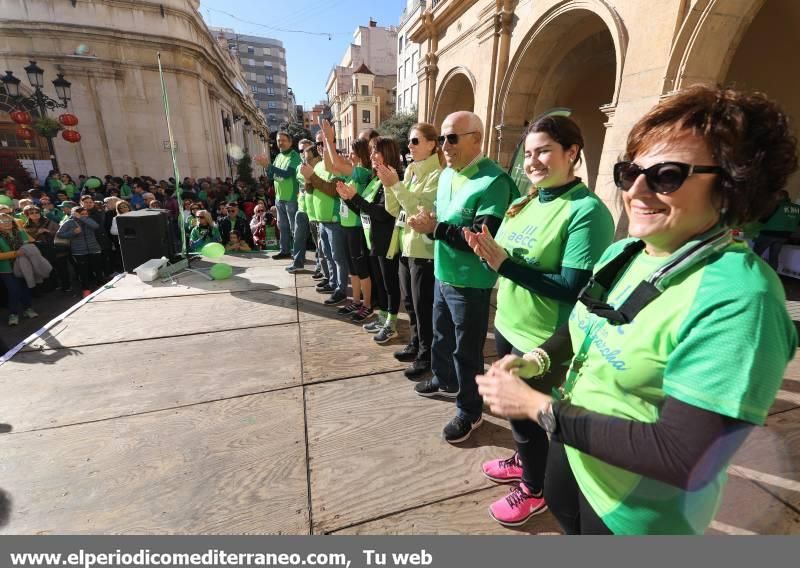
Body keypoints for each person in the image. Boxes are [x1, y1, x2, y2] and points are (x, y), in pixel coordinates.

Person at [476, 85, 798, 535]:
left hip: (637, 513)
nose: (638, 191)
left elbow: (683, 456)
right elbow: (584, 323)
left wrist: (538, 407)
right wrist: (536, 360)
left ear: (731, 183)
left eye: (667, 175)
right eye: (630, 172)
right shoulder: (627, 251)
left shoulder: (743, 299)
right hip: (574, 459)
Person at [461, 115, 615, 526]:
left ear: (572, 153)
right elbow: (509, 259)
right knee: (517, 416)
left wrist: (505, 265)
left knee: (525, 414)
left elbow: (572, 287)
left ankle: (534, 489)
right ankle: (527, 461)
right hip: (509, 323)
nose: (533, 161)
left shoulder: (586, 211)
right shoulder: (526, 201)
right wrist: (486, 249)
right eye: (528, 153)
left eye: (544, 150)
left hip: (546, 339)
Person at [407, 110, 518, 444]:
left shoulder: (494, 181)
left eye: (452, 138)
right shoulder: (446, 175)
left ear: (477, 138)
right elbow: (444, 219)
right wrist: (430, 221)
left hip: (471, 283)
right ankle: (445, 380)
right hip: (444, 271)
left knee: (467, 352)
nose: (445, 145)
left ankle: (470, 412)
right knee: (441, 335)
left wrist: (436, 228)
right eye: (442, 138)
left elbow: (482, 238)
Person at [378, 122, 444, 377]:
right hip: (407, 245)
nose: (410, 145)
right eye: (409, 141)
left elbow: (419, 209)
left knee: (423, 306)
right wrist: (389, 183)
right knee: (410, 303)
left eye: (415, 141)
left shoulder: (437, 174)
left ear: (431, 144)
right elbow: (395, 210)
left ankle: (427, 355)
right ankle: (416, 344)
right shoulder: (412, 171)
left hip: (424, 250)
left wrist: (395, 185)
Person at [336, 137, 403, 340]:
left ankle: (392, 323)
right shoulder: (376, 179)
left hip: (388, 241)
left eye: (376, 151)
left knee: (390, 284)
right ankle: (383, 317)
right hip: (372, 240)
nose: (372, 156)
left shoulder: (393, 177)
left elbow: (383, 213)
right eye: (372, 151)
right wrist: (348, 198)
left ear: (387, 154)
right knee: (381, 283)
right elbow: (365, 211)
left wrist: (355, 198)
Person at [320, 120, 375, 322]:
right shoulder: (353, 173)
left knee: (362, 269)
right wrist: (326, 142)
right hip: (347, 226)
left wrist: (329, 139)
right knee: (353, 268)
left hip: (357, 228)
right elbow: (329, 164)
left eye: (352, 152)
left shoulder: (362, 172)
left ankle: (368, 304)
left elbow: (335, 163)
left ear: (360, 155)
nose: (349, 155)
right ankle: (357, 300)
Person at [301, 130, 349, 306]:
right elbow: (311, 190)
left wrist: (311, 176)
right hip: (322, 219)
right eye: (318, 144)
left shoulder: (337, 165)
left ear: (333, 142)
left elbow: (332, 190)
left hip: (335, 220)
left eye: (324, 143)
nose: (320, 147)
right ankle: (333, 283)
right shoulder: (319, 165)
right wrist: (308, 178)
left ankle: (341, 289)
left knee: (338, 257)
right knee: (328, 255)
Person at [268, 131, 302, 261]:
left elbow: (287, 174)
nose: (280, 143)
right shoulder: (278, 156)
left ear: (290, 142)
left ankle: (299, 256)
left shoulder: (295, 156)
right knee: (282, 227)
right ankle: (285, 251)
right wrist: (269, 169)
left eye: (283, 140)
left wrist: (269, 167)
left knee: (295, 229)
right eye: (278, 140)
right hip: (279, 198)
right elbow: (271, 175)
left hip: (291, 198)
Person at [56, 206, 103, 298]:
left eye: (86, 214)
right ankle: (85, 289)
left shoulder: (89, 220)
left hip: (94, 248)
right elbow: (59, 234)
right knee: (83, 271)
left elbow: (96, 226)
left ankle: (100, 284)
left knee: (97, 268)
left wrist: (82, 218)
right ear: (75, 214)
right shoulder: (69, 222)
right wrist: (73, 232)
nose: (85, 215)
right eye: (82, 214)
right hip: (79, 251)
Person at [0, 213, 38, 326]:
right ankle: (13, 314)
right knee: (14, 290)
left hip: (23, 265)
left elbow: (29, 243)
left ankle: (28, 309)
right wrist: (15, 253)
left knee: (26, 288)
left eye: (9, 221)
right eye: (3, 221)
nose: (7, 223)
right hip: (7, 269)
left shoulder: (20, 232)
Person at [750, 189, 800, 270]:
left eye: (776, 196)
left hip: (769, 233)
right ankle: (773, 276)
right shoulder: (797, 208)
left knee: (755, 255)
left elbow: (763, 219)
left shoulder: (776, 205)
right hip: (784, 236)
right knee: (774, 256)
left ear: (781, 196)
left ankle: (750, 272)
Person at [287, 139, 316, 274]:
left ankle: (321, 267)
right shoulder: (299, 167)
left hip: (316, 209)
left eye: (306, 150)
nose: (303, 153)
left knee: (318, 241)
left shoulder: (319, 165)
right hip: (302, 207)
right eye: (300, 150)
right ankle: (298, 263)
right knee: (298, 237)